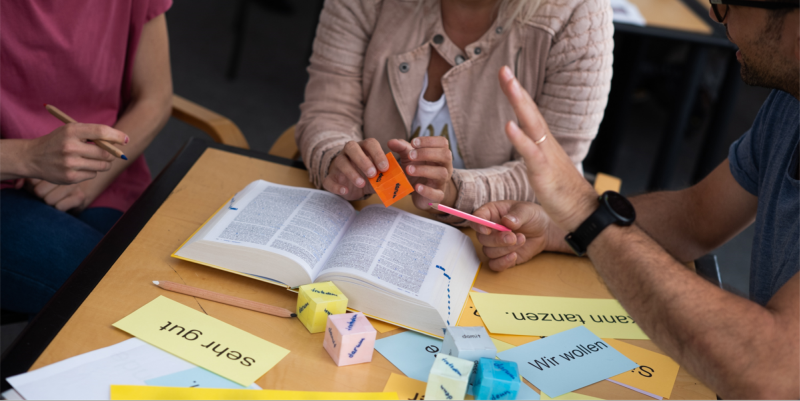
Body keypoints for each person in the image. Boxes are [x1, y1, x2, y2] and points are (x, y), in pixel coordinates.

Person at [471, 2, 799, 398]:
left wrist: (582, 209)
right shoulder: (789, 105)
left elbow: (775, 370)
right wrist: (560, 226)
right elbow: (693, 218)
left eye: (726, 3)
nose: (714, 16)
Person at [296, 0, 613, 223]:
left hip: (491, 244)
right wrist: (336, 157)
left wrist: (454, 192)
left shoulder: (579, 12)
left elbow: (558, 172)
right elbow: (329, 107)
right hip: (362, 221)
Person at [0, 0, 173, 314]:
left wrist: (92, 180)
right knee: (128, 299)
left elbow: (155, 98)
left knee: (172, 280)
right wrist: (26, 156)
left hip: (102, 180)